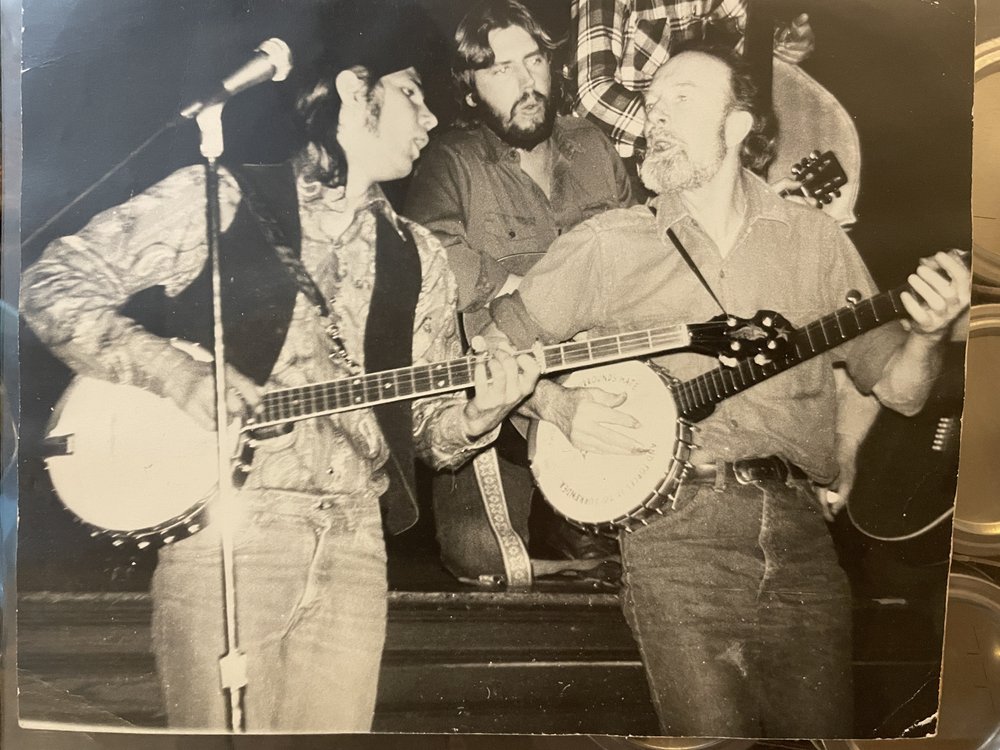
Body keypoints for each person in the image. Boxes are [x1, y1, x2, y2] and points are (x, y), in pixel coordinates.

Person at [20, 1, 539, 733]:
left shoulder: (421, 256)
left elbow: (429, 431)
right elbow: (51, 284)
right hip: (231, 534)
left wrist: (482, 414)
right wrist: (174, 373)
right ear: (356, 90)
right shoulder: (227, 197)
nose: (431, 119)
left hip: (358, 544)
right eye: (414, 94)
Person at [488, 44, 970, 736]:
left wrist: (926, 334)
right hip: (677, 539)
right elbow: (496, 344)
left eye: (680, 98)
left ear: (741, 124)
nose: (656, 115)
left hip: (805, 543)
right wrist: (559, 406)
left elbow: (900, 390)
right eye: (651, 105)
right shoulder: (609, 243)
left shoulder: (814, 241)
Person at [405, 0, 632, 583]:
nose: (527, 82)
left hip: (607, 378)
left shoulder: (596, 148)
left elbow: (643, 249)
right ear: (472, 90)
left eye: (533, 62)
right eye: (502, 70)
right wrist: (542, 290)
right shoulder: (448, 162)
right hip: (502, 402)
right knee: (489, 564)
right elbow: (435, 263)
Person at [571, 0, 815, 192]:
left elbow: (749, 19)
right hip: (624, 169)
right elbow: (593, 94)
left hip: (687, 155)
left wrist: (785, 40)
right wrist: (691, 136)